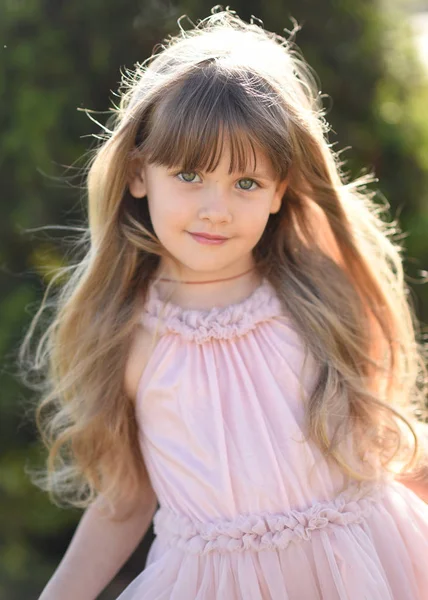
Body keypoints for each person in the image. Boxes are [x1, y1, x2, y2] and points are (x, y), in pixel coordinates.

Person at [21, 7, 428, 600]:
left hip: (362, 568)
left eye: (245, 183)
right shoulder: (127, 334)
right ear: (138, 174)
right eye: (189, 175)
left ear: (278, 193)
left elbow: (381, 443)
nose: (216, 208)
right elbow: (125, 500)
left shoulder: (314, 295)